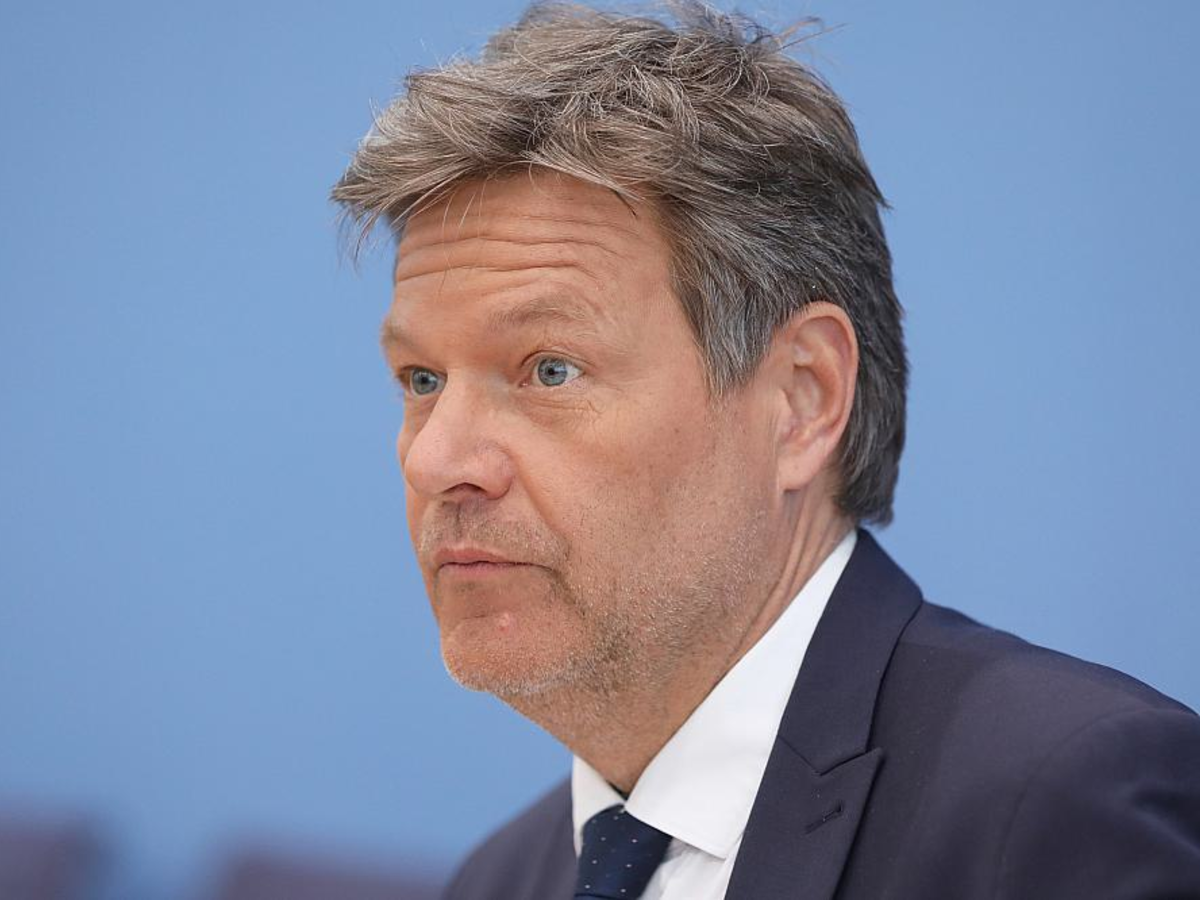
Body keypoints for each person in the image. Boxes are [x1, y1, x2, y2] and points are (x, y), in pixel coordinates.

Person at [330, 3, 1200, 898]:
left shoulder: (1056, 806)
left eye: (550, 369)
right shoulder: (501, 880)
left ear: (801, 400)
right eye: (421, 379)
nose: (435, 462)